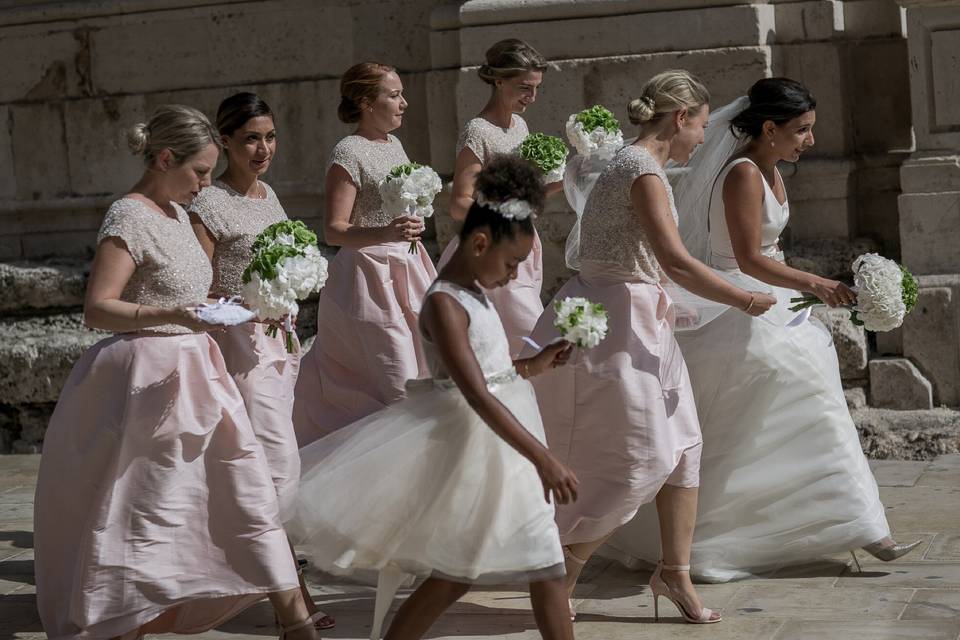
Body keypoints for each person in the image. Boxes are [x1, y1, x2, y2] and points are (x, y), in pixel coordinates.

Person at [607, 78, 920, 582]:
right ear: (770, 128)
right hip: (739, 303)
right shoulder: (743, 174)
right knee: (775, 414)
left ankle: (865, 527)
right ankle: (716, 539)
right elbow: (749, 258)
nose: (810, 141)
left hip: (775, 304)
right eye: (802, 130)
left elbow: (771, 255)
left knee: (805, 409)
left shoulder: (773, 170)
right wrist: (817, 282)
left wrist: (804, 291)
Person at [34, 105, 323, 640]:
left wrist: (244, 301)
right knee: (147, 506)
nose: (206, 185)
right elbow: (98, 308)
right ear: (165, 158)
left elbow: (193, 293)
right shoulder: (130, 215)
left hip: (200, 367)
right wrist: (172, 315)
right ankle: (130, 617)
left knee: (247, 489)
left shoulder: (174, 213)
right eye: (200, 172)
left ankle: (295, 619)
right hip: (149, 375)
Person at [286, 156, 578, 640]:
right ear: (480, 243)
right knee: (467, 568)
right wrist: (543, 457)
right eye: (510, 265)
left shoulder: (477, 292)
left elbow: (494, 373)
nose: (512, 277)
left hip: (502, 444)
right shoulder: (444, 302)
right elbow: (477, 394)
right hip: (478, 446)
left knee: (514, 563)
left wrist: (537, 363)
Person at [523, 70, 776, 623]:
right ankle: (561, 572)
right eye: (702, 125)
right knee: (641, 458)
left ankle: (674, 574)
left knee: (684, 447)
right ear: (680, 118)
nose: (704, 138)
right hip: (616, 325)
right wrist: (743, 298)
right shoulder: (641, 170)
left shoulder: (635, 164)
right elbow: (676, 261)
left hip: (636, 318)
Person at [189, 92, 335, 630]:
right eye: (252, 138)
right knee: (277, 473)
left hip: (284, 345)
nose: (264, 148)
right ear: (224, 141)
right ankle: (291, 603)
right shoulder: (207, 206)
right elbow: (198, 294)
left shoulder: (269, 196)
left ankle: (282, 585)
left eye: (270, 136)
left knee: (273, 465)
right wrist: (249, 305)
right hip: (240, 350)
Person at [293, 62, 436, 445]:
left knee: (428, 367)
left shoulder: (395, 146)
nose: (404, 103)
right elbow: (333, 230)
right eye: (393, 95)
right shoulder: (348, 152)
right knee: (396, 378)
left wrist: (413, 221)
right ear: (365, 102)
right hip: (370, 277)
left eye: (401, 94)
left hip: (410, 265)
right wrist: (384, 231)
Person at [438, 39, 557, 355]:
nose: (531, 97)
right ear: (498, 80)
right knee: (529, 337)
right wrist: (503, 223)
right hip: (490, 248)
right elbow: (459, 202)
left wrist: (566, 179)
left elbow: (525, 198)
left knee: (516, 344)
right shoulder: (477, 131)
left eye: (536, 88)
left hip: (524, 244)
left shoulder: (521, 125)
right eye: (524, 88)